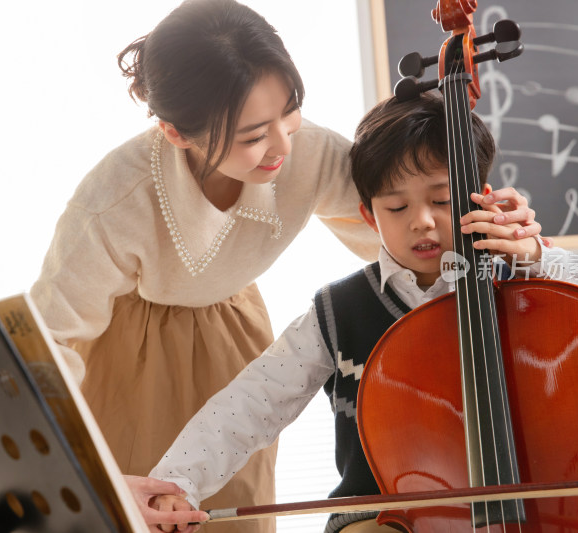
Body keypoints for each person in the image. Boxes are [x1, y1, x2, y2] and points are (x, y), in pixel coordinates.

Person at [29, 1, 541, 531]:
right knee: (134, 507)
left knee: (233, 511)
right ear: (178, 133)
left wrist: (518, 244)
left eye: (289, 110)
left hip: (229, 331)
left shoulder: (308, 150)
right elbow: (48, 343)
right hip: (123, 350)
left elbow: (410, 222)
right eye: (252, 135)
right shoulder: (114, 199)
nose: (282, 144)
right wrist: (92, 473)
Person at [145, 92, 578, 533]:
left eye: (443, 198)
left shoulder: (529, 279)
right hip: (384, 520)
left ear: (483, 197)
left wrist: (540, 257)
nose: (423, 221)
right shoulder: (339, 311)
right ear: (368, 216)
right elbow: (255, 401)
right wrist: (179, 481)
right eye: (397, 207)